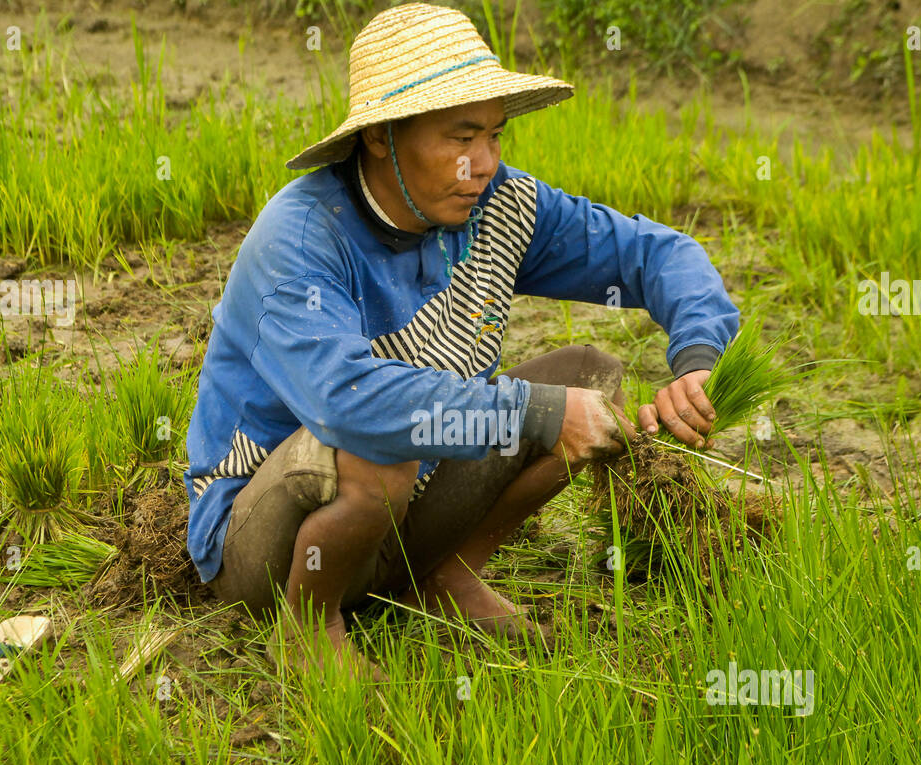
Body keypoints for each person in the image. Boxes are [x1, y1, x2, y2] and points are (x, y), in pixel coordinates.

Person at [184, 3, 739, 680]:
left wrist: (697, 360)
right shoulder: (302, 238)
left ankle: (442, 573)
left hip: (403, 506)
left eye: (495, 137)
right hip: (264, 537)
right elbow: (349, 401)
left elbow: (656, 255)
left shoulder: (493, 204)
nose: (481, 163)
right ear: (384, 136)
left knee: (591, 375)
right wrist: (537, 411)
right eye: (460, 137)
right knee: (384, 431)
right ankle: (308, 625)